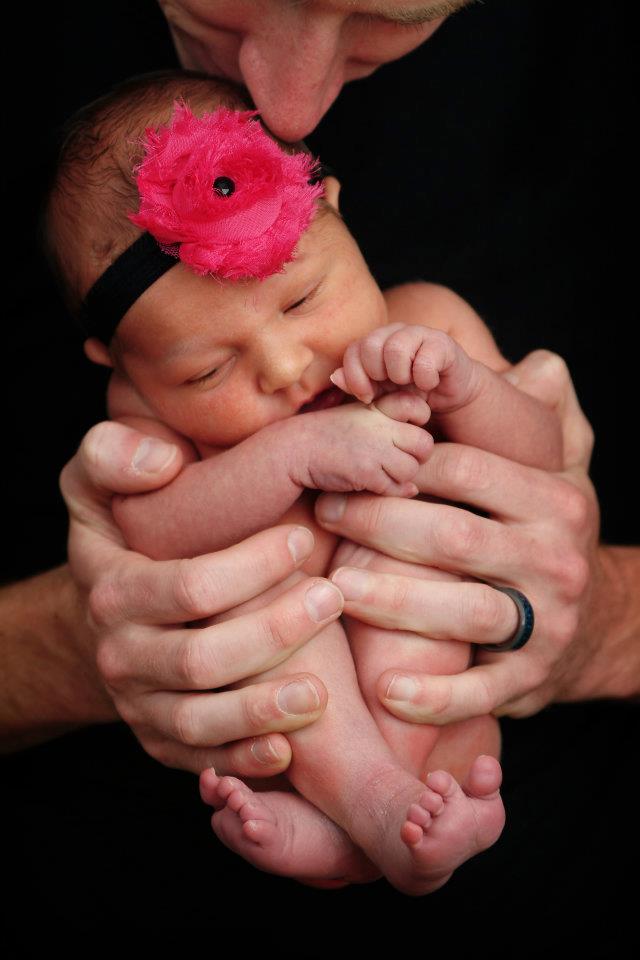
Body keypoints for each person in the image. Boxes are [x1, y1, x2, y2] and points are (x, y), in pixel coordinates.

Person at [4, 0, 638, 947]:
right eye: (206, 369)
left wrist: (466, 386)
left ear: (336, 212)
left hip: (488, 740)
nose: (286, 365)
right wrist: (291, 455)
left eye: (304, 297)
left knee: (421, 600)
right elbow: (157, 543)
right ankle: (364, 803)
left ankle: (388, 808)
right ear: (119, 364)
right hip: (169, 828)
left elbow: (543, 469)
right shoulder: (151, 423)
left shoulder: (422, 316)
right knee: (280, 627)